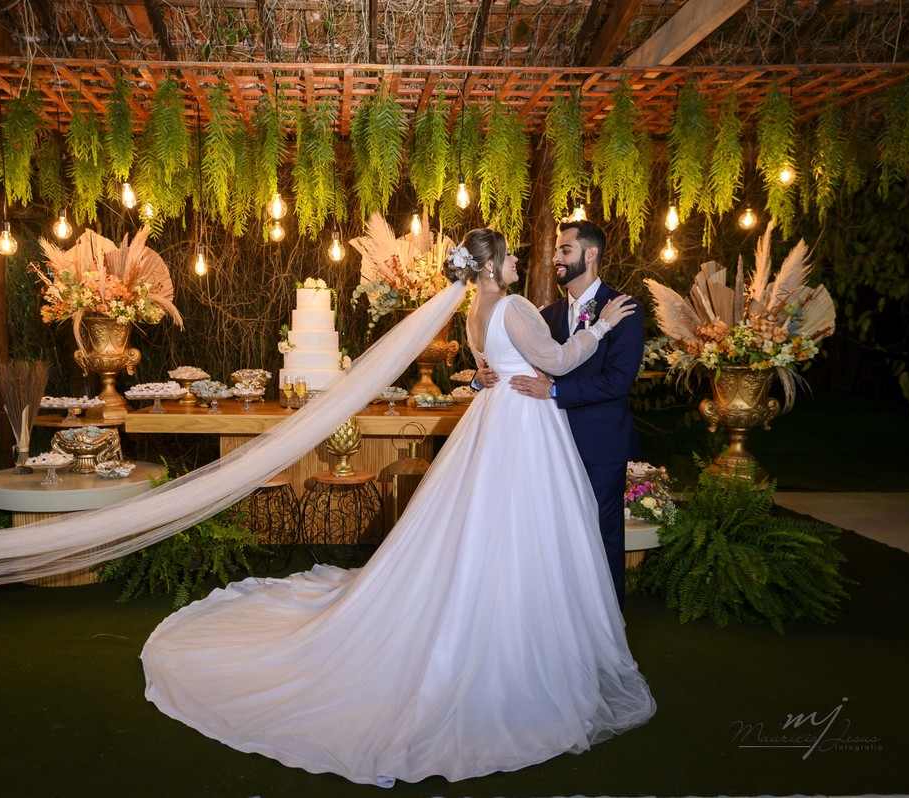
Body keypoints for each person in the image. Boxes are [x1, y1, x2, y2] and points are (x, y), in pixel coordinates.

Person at [142, 228, 655, 788]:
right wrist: (601, 327)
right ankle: (519, 631)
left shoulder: (473, 312)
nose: (520, 261)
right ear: (491, 267)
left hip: (495, 422)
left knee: (485, 526)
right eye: (511, 256)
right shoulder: (514, 307)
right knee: (522, 526)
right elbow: (555, 359)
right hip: (524, 426)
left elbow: (488, 369)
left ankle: (499, 610)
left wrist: (487, 377)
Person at [478, 220, 643, 608]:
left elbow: (618, 381)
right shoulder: (547, 314)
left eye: (565, 250)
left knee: (601, 533)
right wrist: (481, 375)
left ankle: (607, 620)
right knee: (554, 535)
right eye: (556, 250)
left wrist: (554, 390)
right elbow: (517, 358)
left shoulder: (622, 309)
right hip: (548, 440)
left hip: (600, 443)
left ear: (591, 254)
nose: (556, 257)